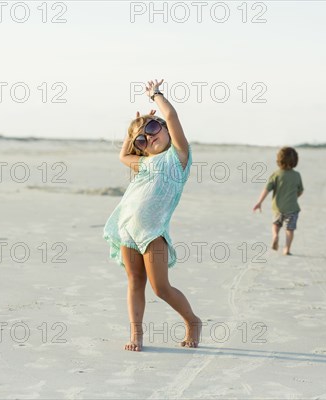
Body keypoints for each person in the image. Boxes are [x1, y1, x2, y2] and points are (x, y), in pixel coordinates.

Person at [103, 79, 201, 351]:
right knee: (135, 282)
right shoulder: (145, 162)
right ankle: (136, 334)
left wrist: (155, 96)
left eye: (154, 127)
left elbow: (171, 115)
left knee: (160, 288)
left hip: (153, 232)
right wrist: (132, 133)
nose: (151, 136)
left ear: (165, 128)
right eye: (143, 139)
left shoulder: (178, 157)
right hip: (127, 229)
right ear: (142, 148)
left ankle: (192, 321)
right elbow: (124, 155)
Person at [253, 147, 304, 255]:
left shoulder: (276, 174)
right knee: (289, 229)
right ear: (295, 161)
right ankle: (287, 248)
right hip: (292, 208)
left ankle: (275, 235)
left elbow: (267, 189)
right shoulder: (297, 175)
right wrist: (294, 197)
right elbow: (300, 191)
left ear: (279, 160)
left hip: (278, 208)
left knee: (276, 224)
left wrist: (259, 202)